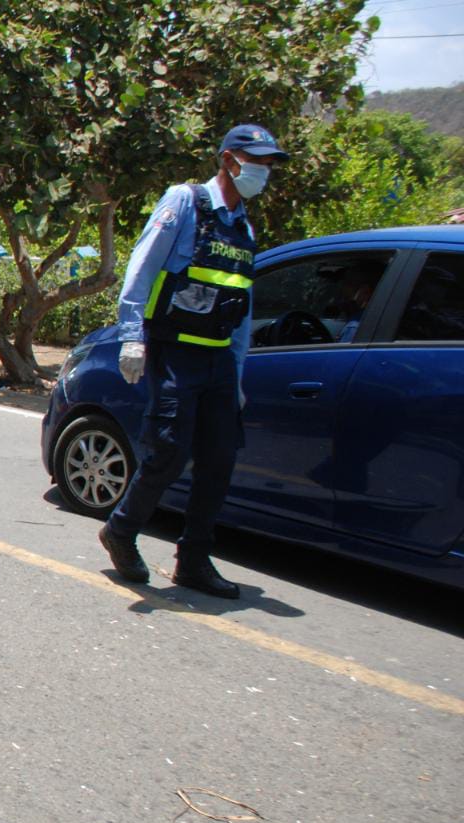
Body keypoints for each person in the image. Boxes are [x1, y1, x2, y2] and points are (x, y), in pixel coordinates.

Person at [99, 124, 289, 599]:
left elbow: (241, 309)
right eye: (257, 162)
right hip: (175, 350)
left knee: (219, 460)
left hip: (219, 360)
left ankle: (194, 560)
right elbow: (141, 267)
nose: (263, 172)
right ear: (228, 159)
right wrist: (131, 338)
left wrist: (238, 375)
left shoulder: (242, 225)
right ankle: (121, 530)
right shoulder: (185, 203)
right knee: (168, 451)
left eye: (268, 165)